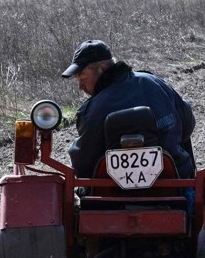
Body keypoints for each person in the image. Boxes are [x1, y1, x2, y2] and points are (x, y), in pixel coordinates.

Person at [61, 40, 195, 180]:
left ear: (102, 68)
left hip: (108, 195)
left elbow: (83, 164)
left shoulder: (91, 110)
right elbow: (187, 125)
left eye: (83, 78)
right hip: (174, 185)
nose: (80, 87)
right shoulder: (155, 83)